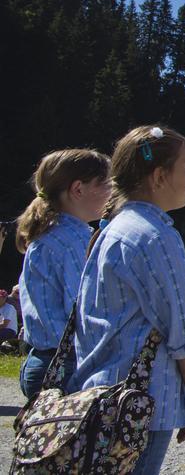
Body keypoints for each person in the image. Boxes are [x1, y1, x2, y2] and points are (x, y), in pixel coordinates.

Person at [71, 126, 185, 474]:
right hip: (140, 402)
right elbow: (183, 327)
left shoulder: (114, 229)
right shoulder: (155, 237)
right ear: (159, 176)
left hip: (102, 392)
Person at [13, 148, 111, 399]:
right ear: (78, 189)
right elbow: (84, 311)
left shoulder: (51, 234)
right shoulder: (72, 241)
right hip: (66, 365)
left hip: (45, 359)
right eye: (106, 185)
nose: (112, 193)